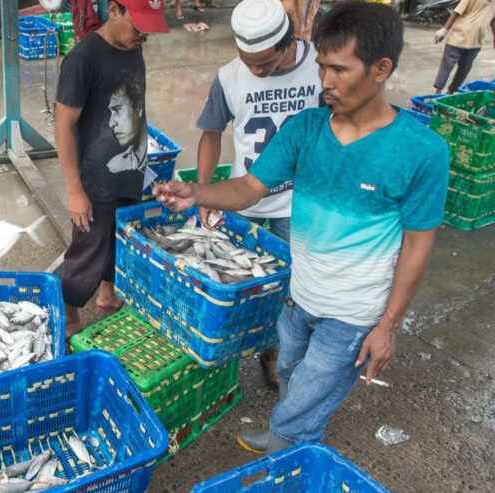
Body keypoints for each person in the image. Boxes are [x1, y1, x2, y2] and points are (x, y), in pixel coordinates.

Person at [154, 1, 449, 454]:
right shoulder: (306, 128)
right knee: (291, 374)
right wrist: (199, 193)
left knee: (308, 398)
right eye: (322, 69)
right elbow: (251, 187)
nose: (325, 83)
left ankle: (287, 453)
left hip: (352, 315)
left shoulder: (421, 151)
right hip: (300, 296)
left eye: (339, 70)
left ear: (380, 68)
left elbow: (417, 245)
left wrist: (388, 325)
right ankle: (289, 436)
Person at [196, 0, 322, 389]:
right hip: (244, 197)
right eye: (247, 60)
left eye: (264, 64)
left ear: (288, 43)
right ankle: (233, 351)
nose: (255, 71)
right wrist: (204, 194)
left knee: (291, 287)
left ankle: (275, 353)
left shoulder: (322, 68)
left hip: (298, 202)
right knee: (235, 282)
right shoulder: (230, 77)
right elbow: (211, 134)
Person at [54, 0, 168, 337]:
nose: (143, 34)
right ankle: (69, 312)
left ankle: (107, 294)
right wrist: (75, 190)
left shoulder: (133, 45)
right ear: (115, 10)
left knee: (120, 239)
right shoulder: (83, 59)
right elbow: (63, 126)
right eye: (138, 25)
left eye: (149, 27)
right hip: (96, 177)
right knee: (87, 250)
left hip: (131, 167)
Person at [433, 0, 495, 93]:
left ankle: (450, 92)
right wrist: (444, 29)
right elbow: (457, 11)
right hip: (459, 35)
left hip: (476, 40)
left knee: (465, 68)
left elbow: (494, 18)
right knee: (447, 65)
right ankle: (438, 92)